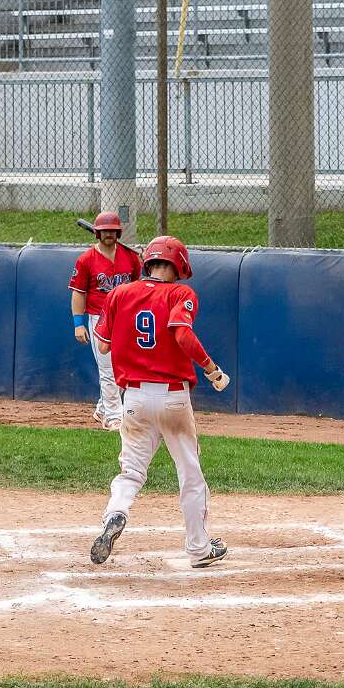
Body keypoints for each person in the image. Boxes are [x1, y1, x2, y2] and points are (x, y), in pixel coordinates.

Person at [88, 236, 231, 568]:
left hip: (134, 399)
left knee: (131, 471)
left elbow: (104, 345)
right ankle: (199, 548)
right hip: (172, 398)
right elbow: (182, 333)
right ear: (178, 265)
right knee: (190, 474)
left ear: (148, 263)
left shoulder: (119, 293)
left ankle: (116, 512)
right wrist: (211, 369)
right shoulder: (180, 293)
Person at [69, 211, 142, 431]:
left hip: (125, 318)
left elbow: (139, 285)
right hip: (99, 319)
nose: (108, 234)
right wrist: (78, 323)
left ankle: (103, 408)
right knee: (108, 369)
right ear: (97, 233)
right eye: (104, 231)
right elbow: (78, 293)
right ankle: (113, 416)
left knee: (124, 368)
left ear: (118, 233)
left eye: (112, 230)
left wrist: (146, 258)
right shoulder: (86, 260)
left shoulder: (130, 257)